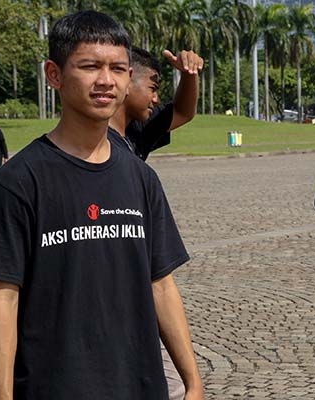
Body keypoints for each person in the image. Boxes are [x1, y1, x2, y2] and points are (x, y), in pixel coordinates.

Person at [0, 10, 204, 400]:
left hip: (139, 383)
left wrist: (193, 381)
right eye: (89, 66)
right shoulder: (21, 180)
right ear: (54, 74)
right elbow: (2, 300)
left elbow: (161, 283)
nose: (105, 80)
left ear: (127, 80)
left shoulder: (141, 179)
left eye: (118, 69)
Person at [108, 46, 203, 400]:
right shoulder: (93, 146)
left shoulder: (136, 133)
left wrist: (189, 77)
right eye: (152, 84)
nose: (156, 95)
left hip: (139, 301)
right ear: (125, 79)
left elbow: (182, 111)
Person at [108, 46, 202, 161]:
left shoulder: (139, 129)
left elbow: (182, 112)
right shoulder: (93, 137)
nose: (156, 99)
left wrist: (190, 72)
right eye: (153, 88)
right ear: (126, 80)